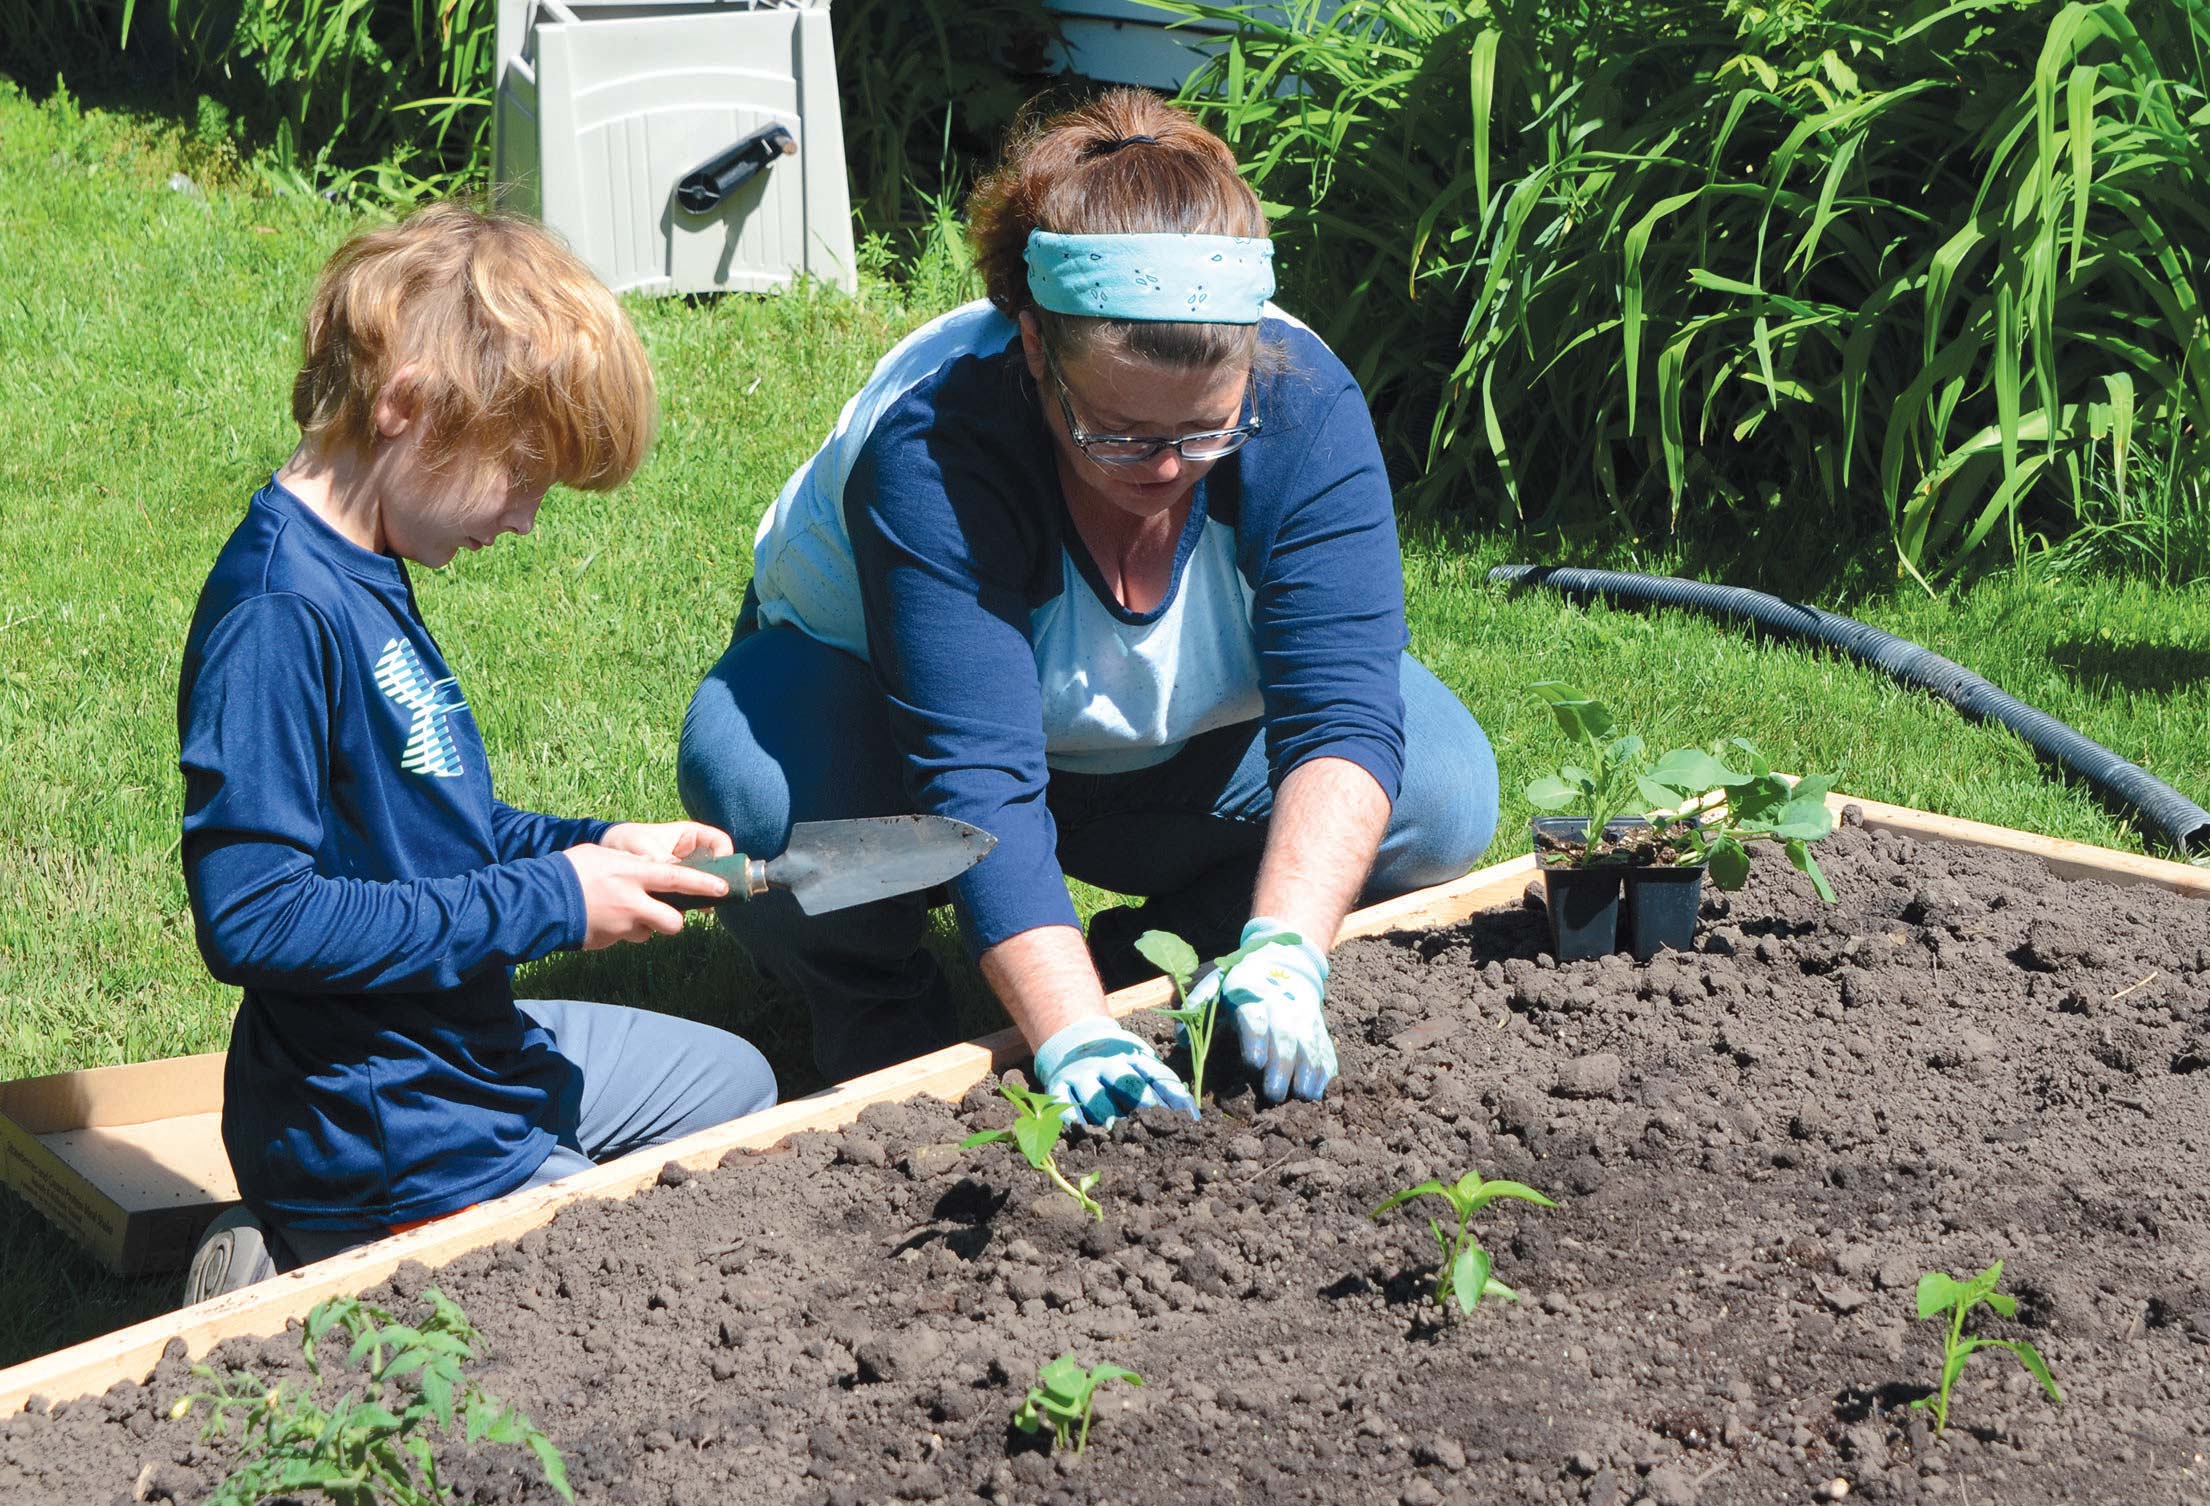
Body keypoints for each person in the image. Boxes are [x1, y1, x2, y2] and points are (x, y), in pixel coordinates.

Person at [678, 90, 1498, 1125]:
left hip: (1177, 748)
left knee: (1439, 789)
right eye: (1115, 432)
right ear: (1033, 350)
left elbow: (1339, 712)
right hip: (882, 738)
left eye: (1204, 431)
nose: (1164, 466)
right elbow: (971, 774)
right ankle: (889, 1031)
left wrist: (1287, 948)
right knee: (769, 806)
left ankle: (1153, 966)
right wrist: (1064, 1035)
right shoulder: (936, 449)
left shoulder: (1305, 408)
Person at [176, 202, 776, 1302]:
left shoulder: (368, 564)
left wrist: (598, 847)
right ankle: (284, 1266)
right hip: (374, 1117)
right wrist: (549, 899)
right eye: (522, 476)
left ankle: (365, 1246)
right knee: (600, 1295)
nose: (526, 520)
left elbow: (432, 832)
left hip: (451, 1046)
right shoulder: (277, 611)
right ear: (408, 407)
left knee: (735, 1086)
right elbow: (253, 915)